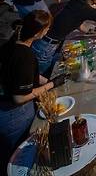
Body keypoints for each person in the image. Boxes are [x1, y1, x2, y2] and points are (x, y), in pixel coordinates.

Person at [0, 11, 66, 170]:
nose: (48, 31)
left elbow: (26, 78)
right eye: (47, 28)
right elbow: (19, 97)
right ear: (38, 33)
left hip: (8, 110)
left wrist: (50, 80)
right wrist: (50, 85)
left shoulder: (12, 43)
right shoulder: (24, 56)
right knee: (22, 157)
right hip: (14, 115)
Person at [33, 0, 96, 77]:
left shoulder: (76, 2)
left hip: (48, 40)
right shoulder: (87, 10)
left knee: (50, 65)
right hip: (47, 44)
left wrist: (88, 31)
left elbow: (76, 21)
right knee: (41, 73)